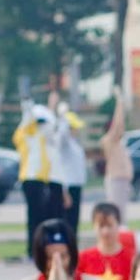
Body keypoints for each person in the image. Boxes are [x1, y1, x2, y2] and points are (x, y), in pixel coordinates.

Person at [13, 104, 58, 242]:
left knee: (41, 215)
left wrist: (51, 109)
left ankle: (39, 243)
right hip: (30, 179)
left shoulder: (42, 137)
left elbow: (52, 126)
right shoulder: (25, 135)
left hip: (41, 179)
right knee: (34, 215)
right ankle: (33, 246)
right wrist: (28, 110)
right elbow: (26, 121)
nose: (42, 125)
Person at [47, 99, 88, 237]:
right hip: (67, 187)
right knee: (67, 222)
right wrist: (63, 117)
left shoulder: (74, 144)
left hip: (76, 185)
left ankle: (72, 244)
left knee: (74, 222)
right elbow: (61, 136)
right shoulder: (64, 144)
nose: (76, 130)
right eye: (74, 127)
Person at [100, 104, 134, 209]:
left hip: (123, 181)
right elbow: (117, 125)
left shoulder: (120, 144)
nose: (121, 130)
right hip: (115, 180)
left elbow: (120, 126)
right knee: (115, 210)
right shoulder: (107, 141)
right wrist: (120, 103)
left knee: (122, 211)